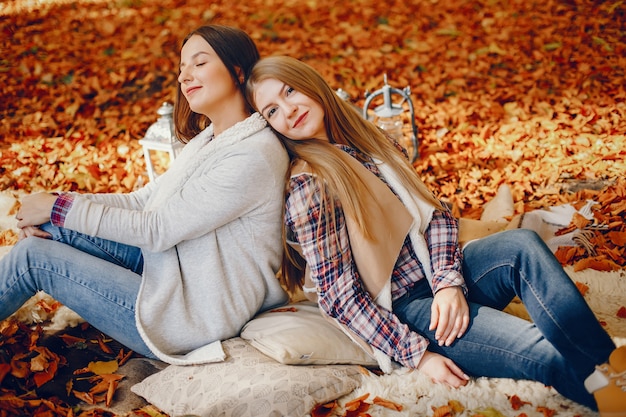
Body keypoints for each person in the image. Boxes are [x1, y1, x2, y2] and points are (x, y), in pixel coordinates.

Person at [245, 55, 625, 415]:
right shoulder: (310, 186)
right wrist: (418, 355)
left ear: (311, 85)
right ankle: (616, 400)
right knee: (540, 349)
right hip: (408, 309)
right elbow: (340, 297)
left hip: (439, 276)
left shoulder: (370, 142)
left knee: (521, 246)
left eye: (290, 91)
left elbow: (437, 216)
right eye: (272, 110)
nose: (288, 109)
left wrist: (448, 284)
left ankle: (614, 373)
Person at [2, 25, 289, 366]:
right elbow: (142, 201)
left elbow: (157, 228)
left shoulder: (252, 155)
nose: (185, 77)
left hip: (191, 315)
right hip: (167, 273)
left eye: (199, 63)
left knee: (35, 255)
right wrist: (55, 204)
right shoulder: (211, 138)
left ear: (237, 71)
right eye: (181, 67)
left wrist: (58, 207)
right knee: (53, 227)